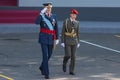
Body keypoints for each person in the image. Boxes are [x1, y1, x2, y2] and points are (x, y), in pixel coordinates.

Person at [35, 2, 59, 79]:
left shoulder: (54, 16)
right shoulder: (42, 16)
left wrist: (57, 38)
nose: (49, 10)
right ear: (45, 9)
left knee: (49, 55)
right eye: (47, 8)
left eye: (50, 8)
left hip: (51, 38)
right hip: (43, 38)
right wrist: (41, 13)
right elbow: (36, 22)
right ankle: (46, 73)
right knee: (45, 56)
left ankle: (42, 67)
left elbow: (56, 28)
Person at [61, 9, 80, 75]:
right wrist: (62, 41)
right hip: (67, 40)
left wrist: (78, 41)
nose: (74, 16)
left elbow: (77, 33)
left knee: (73, 56)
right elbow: (63, 32)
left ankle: (71, 70)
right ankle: (64, 62)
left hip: (74, 41)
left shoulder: (77, 22)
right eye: (73, 14)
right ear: (70, 14)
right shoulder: (66, 21)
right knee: (68, 55)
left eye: (75, 15)